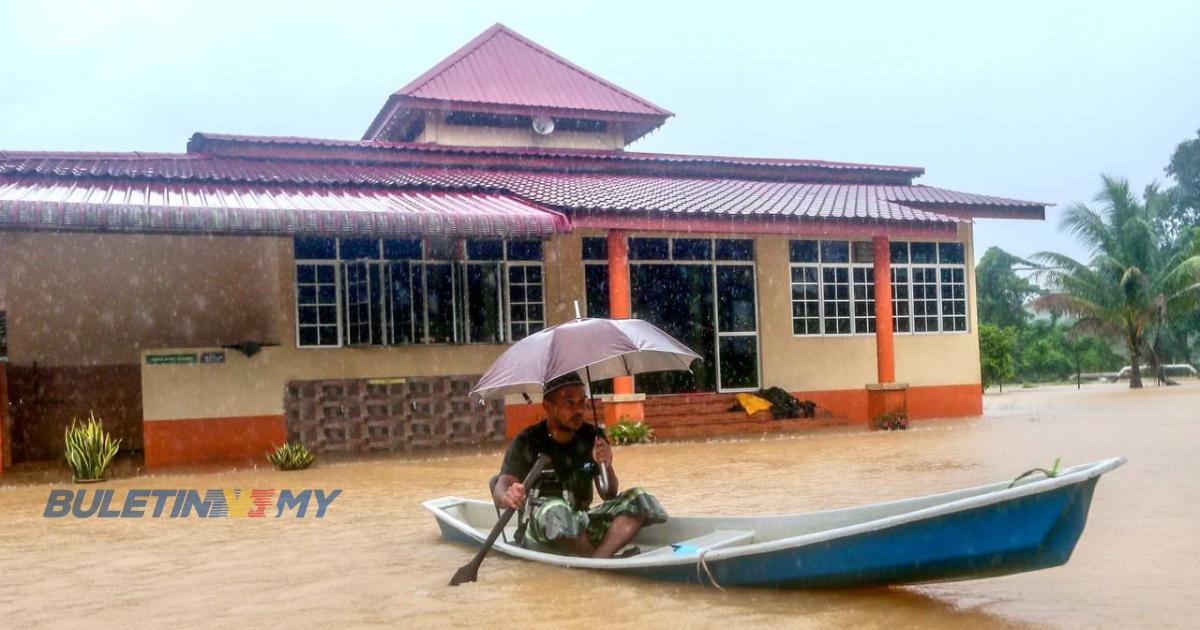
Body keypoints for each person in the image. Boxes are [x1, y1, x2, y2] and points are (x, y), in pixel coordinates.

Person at [492, 372, 667, 558]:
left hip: (582, 521)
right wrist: (507, 496)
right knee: (556, 510)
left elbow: (608, 494)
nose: (579, 410)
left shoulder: (593, 436)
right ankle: (601, 560)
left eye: (582, 402)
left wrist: (605, 465)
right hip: (541, 529)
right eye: (569, 403)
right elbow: (502, 484)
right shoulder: (527, 440)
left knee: (639, 498)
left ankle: (598, 560)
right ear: (548, 406)